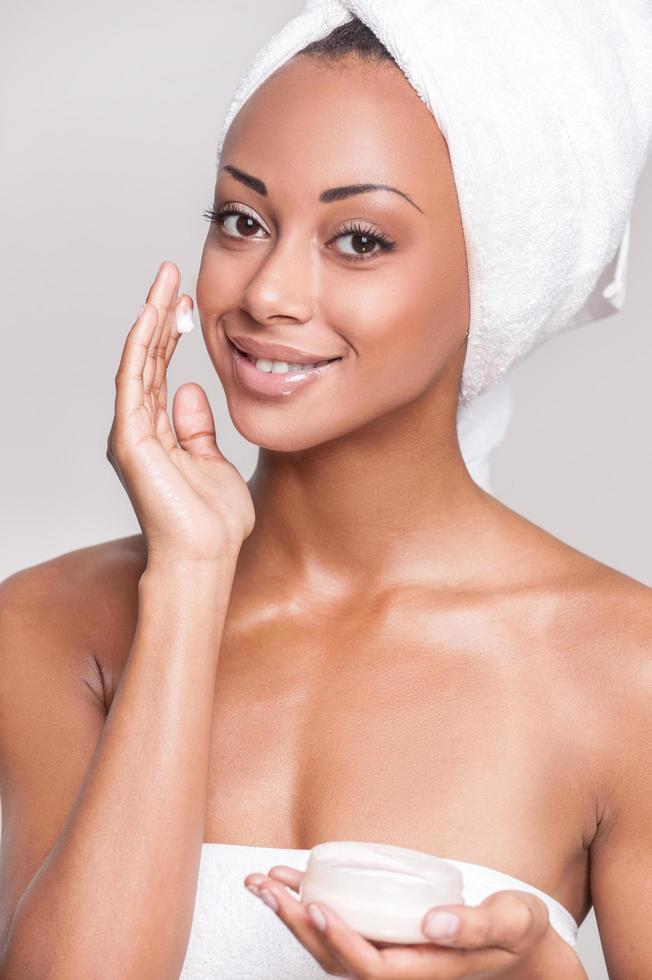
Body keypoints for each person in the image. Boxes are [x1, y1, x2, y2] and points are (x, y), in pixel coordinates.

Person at [0, 14, 650, 980]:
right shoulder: (49, 628)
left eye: (357, 238)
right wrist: (188, 579)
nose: (267, 291)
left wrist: (543, 975)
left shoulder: (622, 670)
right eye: (242, 220)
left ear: (498, 278)